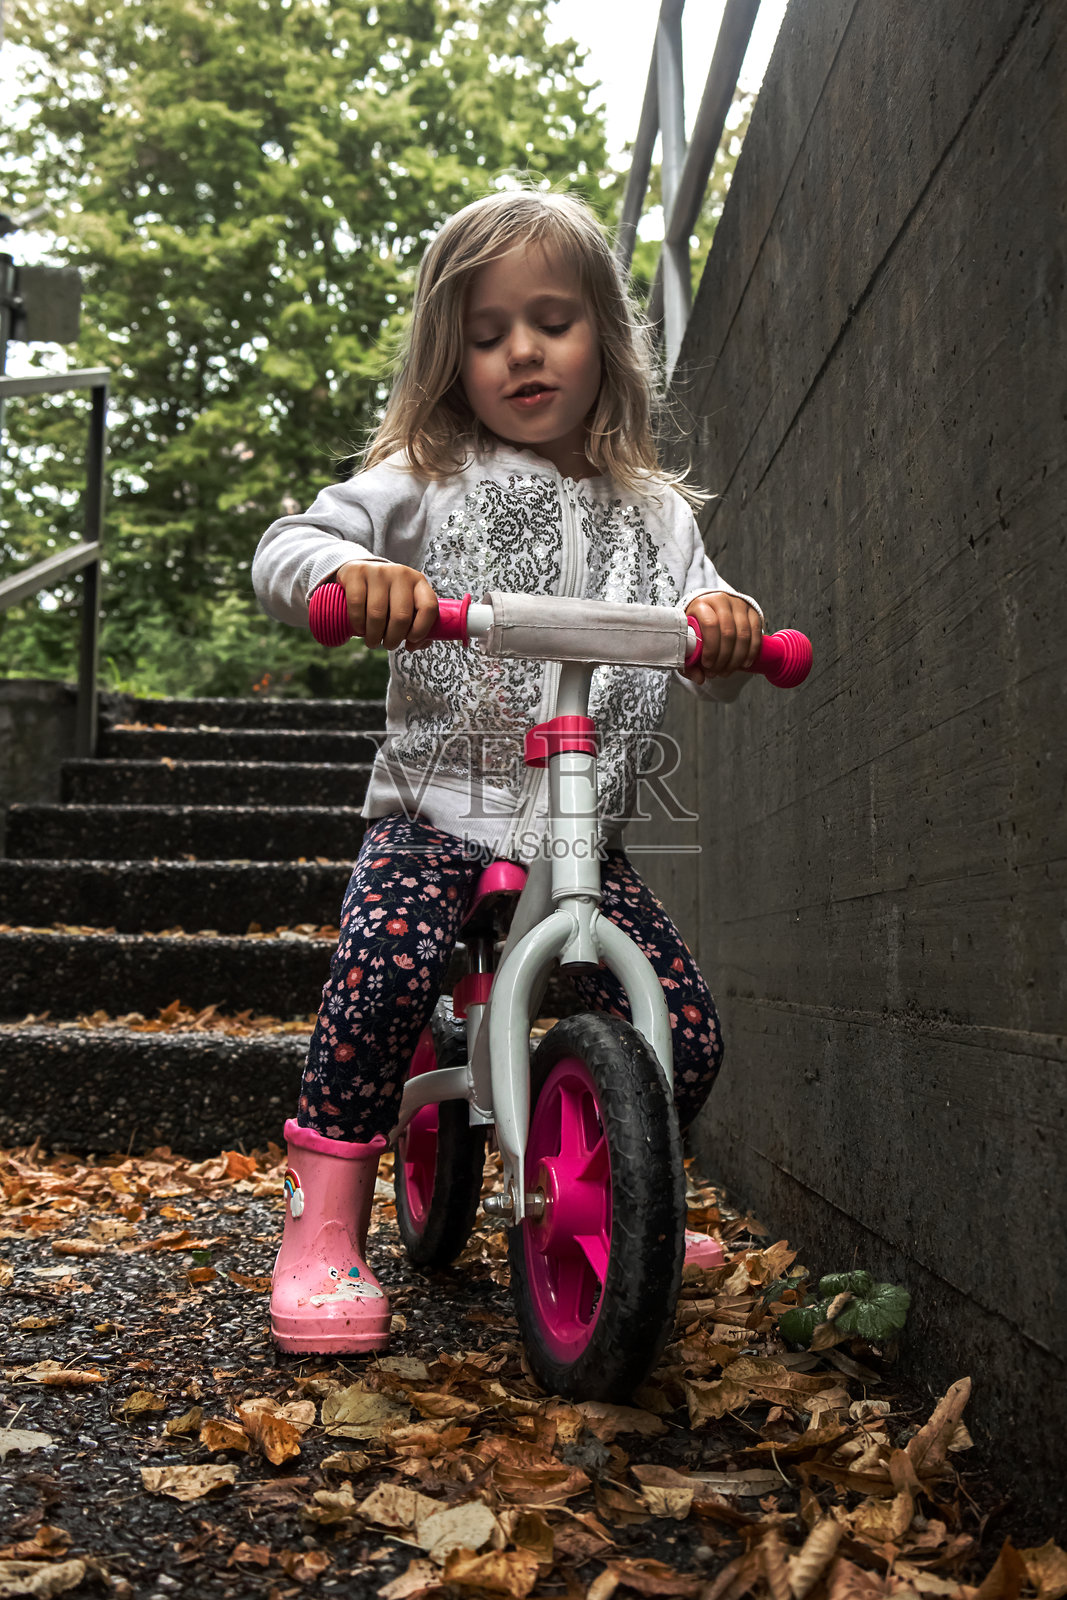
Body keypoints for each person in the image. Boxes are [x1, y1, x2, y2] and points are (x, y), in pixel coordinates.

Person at [252, 188, 763, 1356]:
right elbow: (289, 547)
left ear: (606, 341)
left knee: (680, 1027)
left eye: (550, 321)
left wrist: (726, 623)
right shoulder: (423, 476)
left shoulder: (653, 513)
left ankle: (625, 1184)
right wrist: (350, 573)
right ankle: (322, 1226)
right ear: (452, 358)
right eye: (486, 335)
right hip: (440, 812)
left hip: (582, 839)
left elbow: (710, 636)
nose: (520, 350)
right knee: (384, 975)